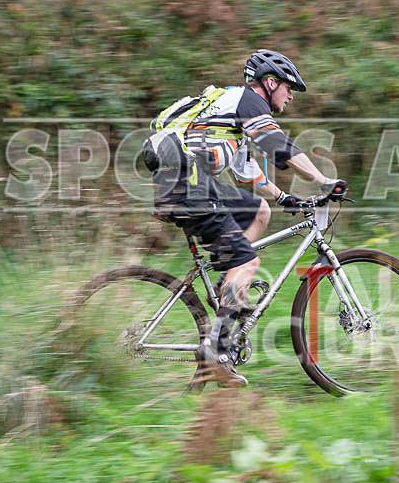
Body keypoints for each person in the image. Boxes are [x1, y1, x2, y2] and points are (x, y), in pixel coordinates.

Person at [145, 49, 347, 386]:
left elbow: (246, 173)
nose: (290, 98)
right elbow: (278, 145)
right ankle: (218, 350)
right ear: (269, 83)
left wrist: (285, 198)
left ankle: (229, 285)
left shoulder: (230, 112)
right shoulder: (249, 101)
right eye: (288, 89)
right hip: (189, 188)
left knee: (260, 211)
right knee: (247, 262)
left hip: (184, 185)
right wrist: (324, 180)